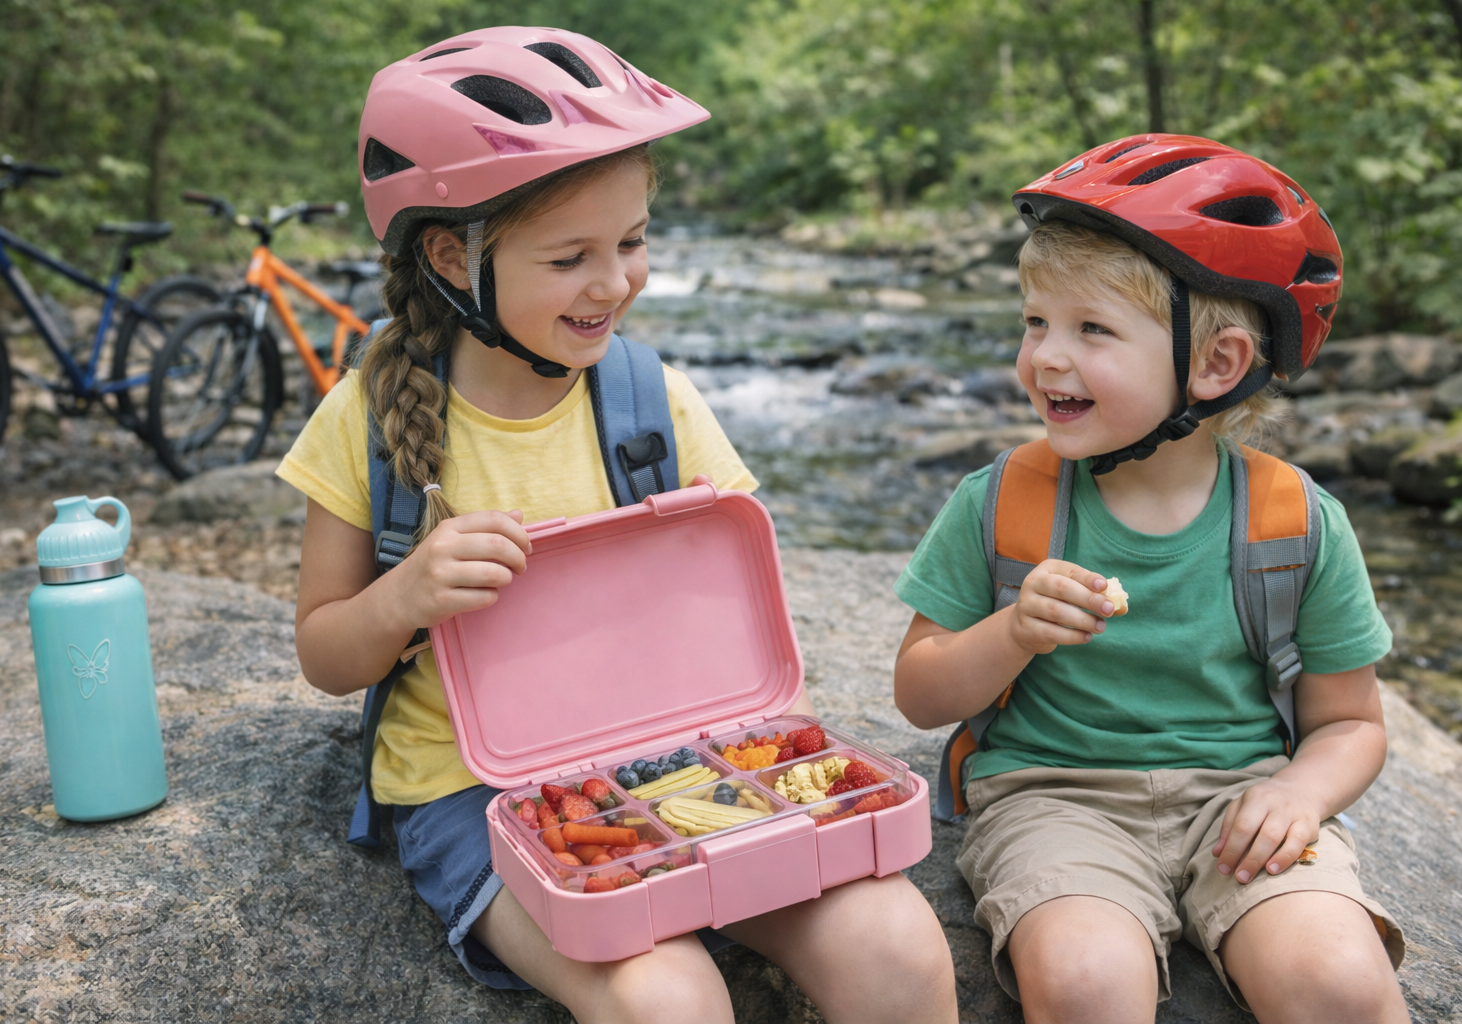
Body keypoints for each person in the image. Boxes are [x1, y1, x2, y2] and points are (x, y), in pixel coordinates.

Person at [278, 27, 957, 1024]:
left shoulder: (653, 401)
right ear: (452, 257)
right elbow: (325, 655)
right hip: (475, 794)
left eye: (632, 242)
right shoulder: (368, 420)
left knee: (894, 944)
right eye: (571, 257)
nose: (615, 283)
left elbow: (731, 617)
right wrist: (405, 596)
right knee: (665, 998)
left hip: (678, 758)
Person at [893, 135, 1407, 1024]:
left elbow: (1351, 723)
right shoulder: (1002, 502)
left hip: (1240, 800)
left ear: (1217, 364)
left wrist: (1299, 793)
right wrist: (1011, 632)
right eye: (1035, 322)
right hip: (1054, 798)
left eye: (1091, 329)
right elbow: (920, 694)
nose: (1045, 357)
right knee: (1085, 982)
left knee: (1341, 983)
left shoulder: (1293, 521)